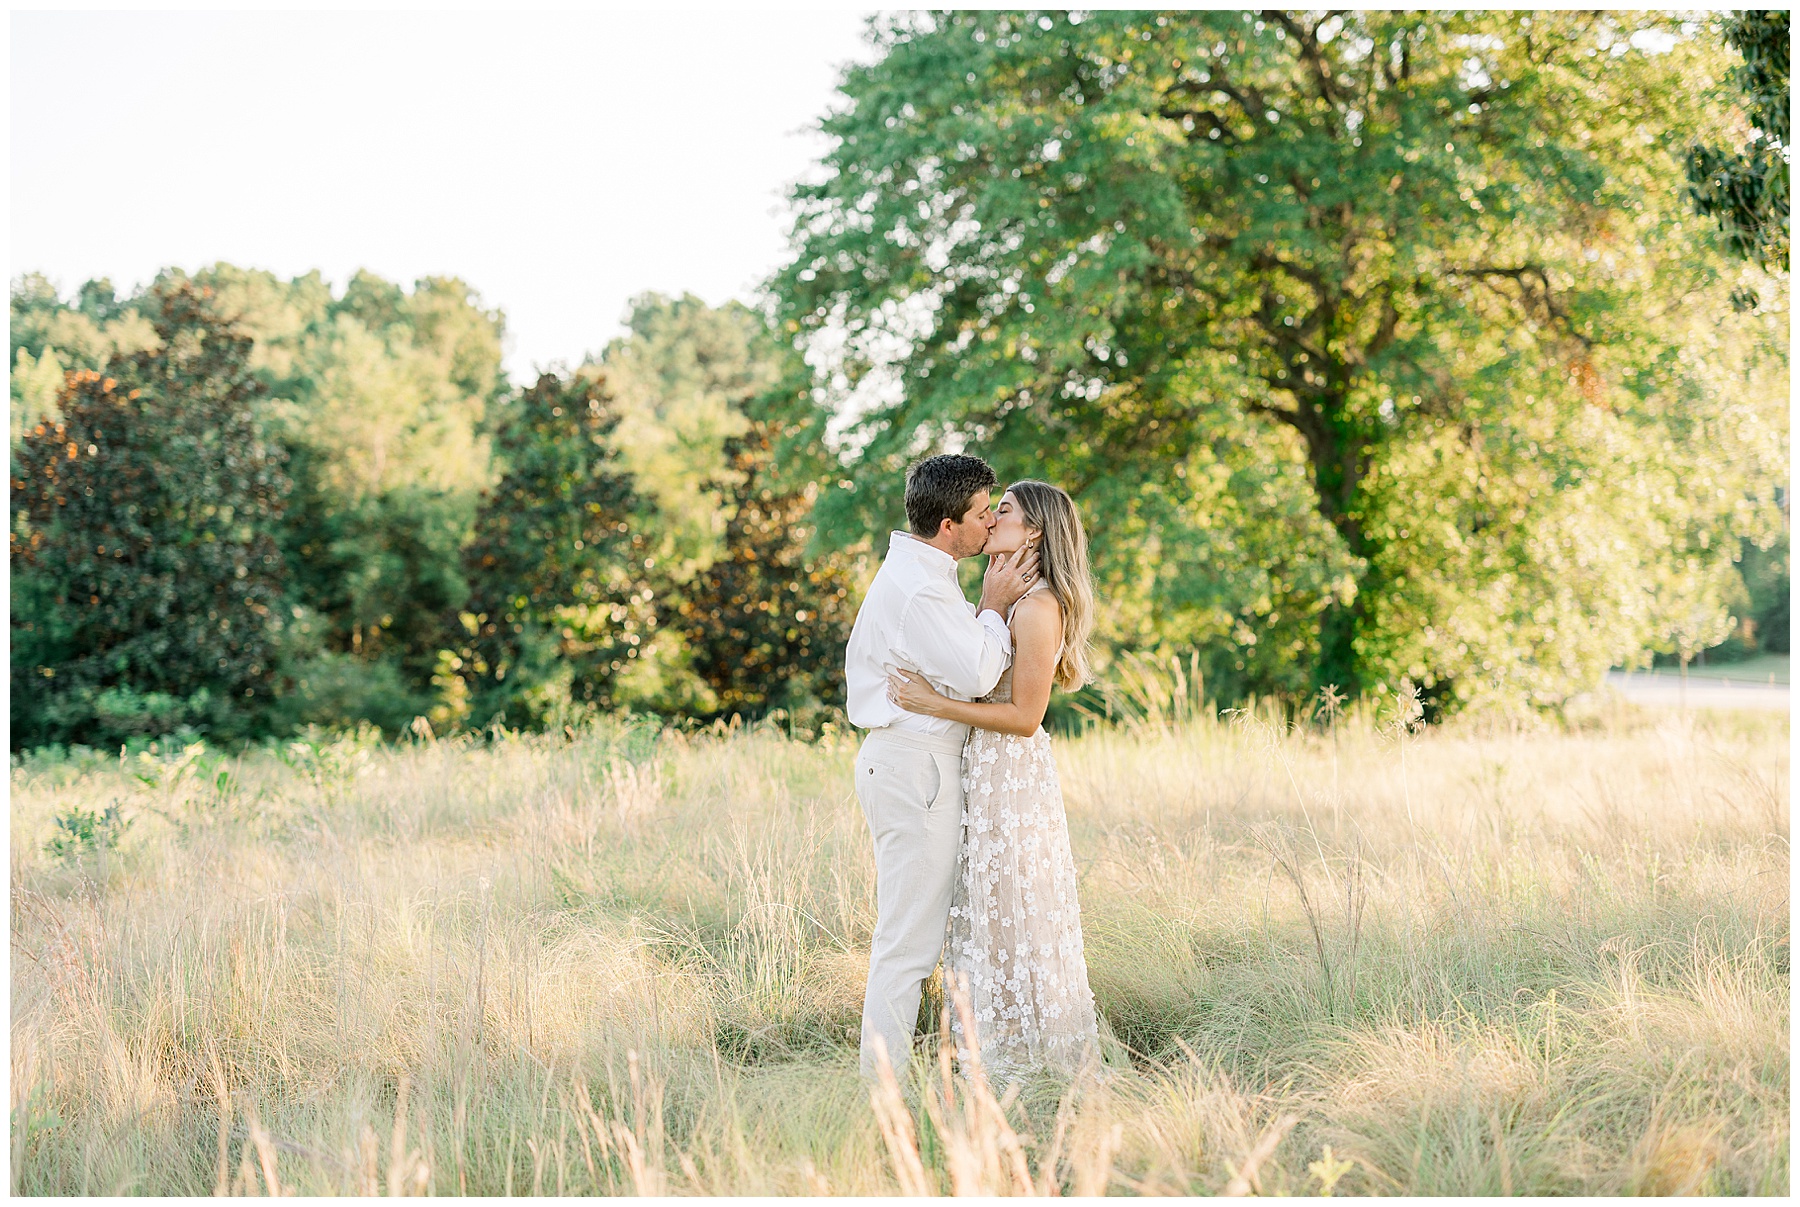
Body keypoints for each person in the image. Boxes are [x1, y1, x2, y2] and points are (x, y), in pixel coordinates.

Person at [886, 480, 1102, 1080]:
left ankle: (1023, 1065)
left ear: (1033, 532)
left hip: (1011, 775)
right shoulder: (1011, 600)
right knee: (986, 913)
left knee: (1013, 913)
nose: (988, 518)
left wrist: (933, 704)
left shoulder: (1038, 607)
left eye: (1001, 511)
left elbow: (1025, 717)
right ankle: (988, 1052)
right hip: (983, 770)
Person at [842, 453, 1039, 1080]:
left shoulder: (924, 571)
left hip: (915, 763)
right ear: (950, 525)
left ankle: (900, 1078)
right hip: (915, 764)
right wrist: (992, 604)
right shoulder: (925, 586)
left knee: (915, 939)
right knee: (907, 945)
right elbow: (979, 675)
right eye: (983, 513)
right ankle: (885, 1093)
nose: (990, 524)